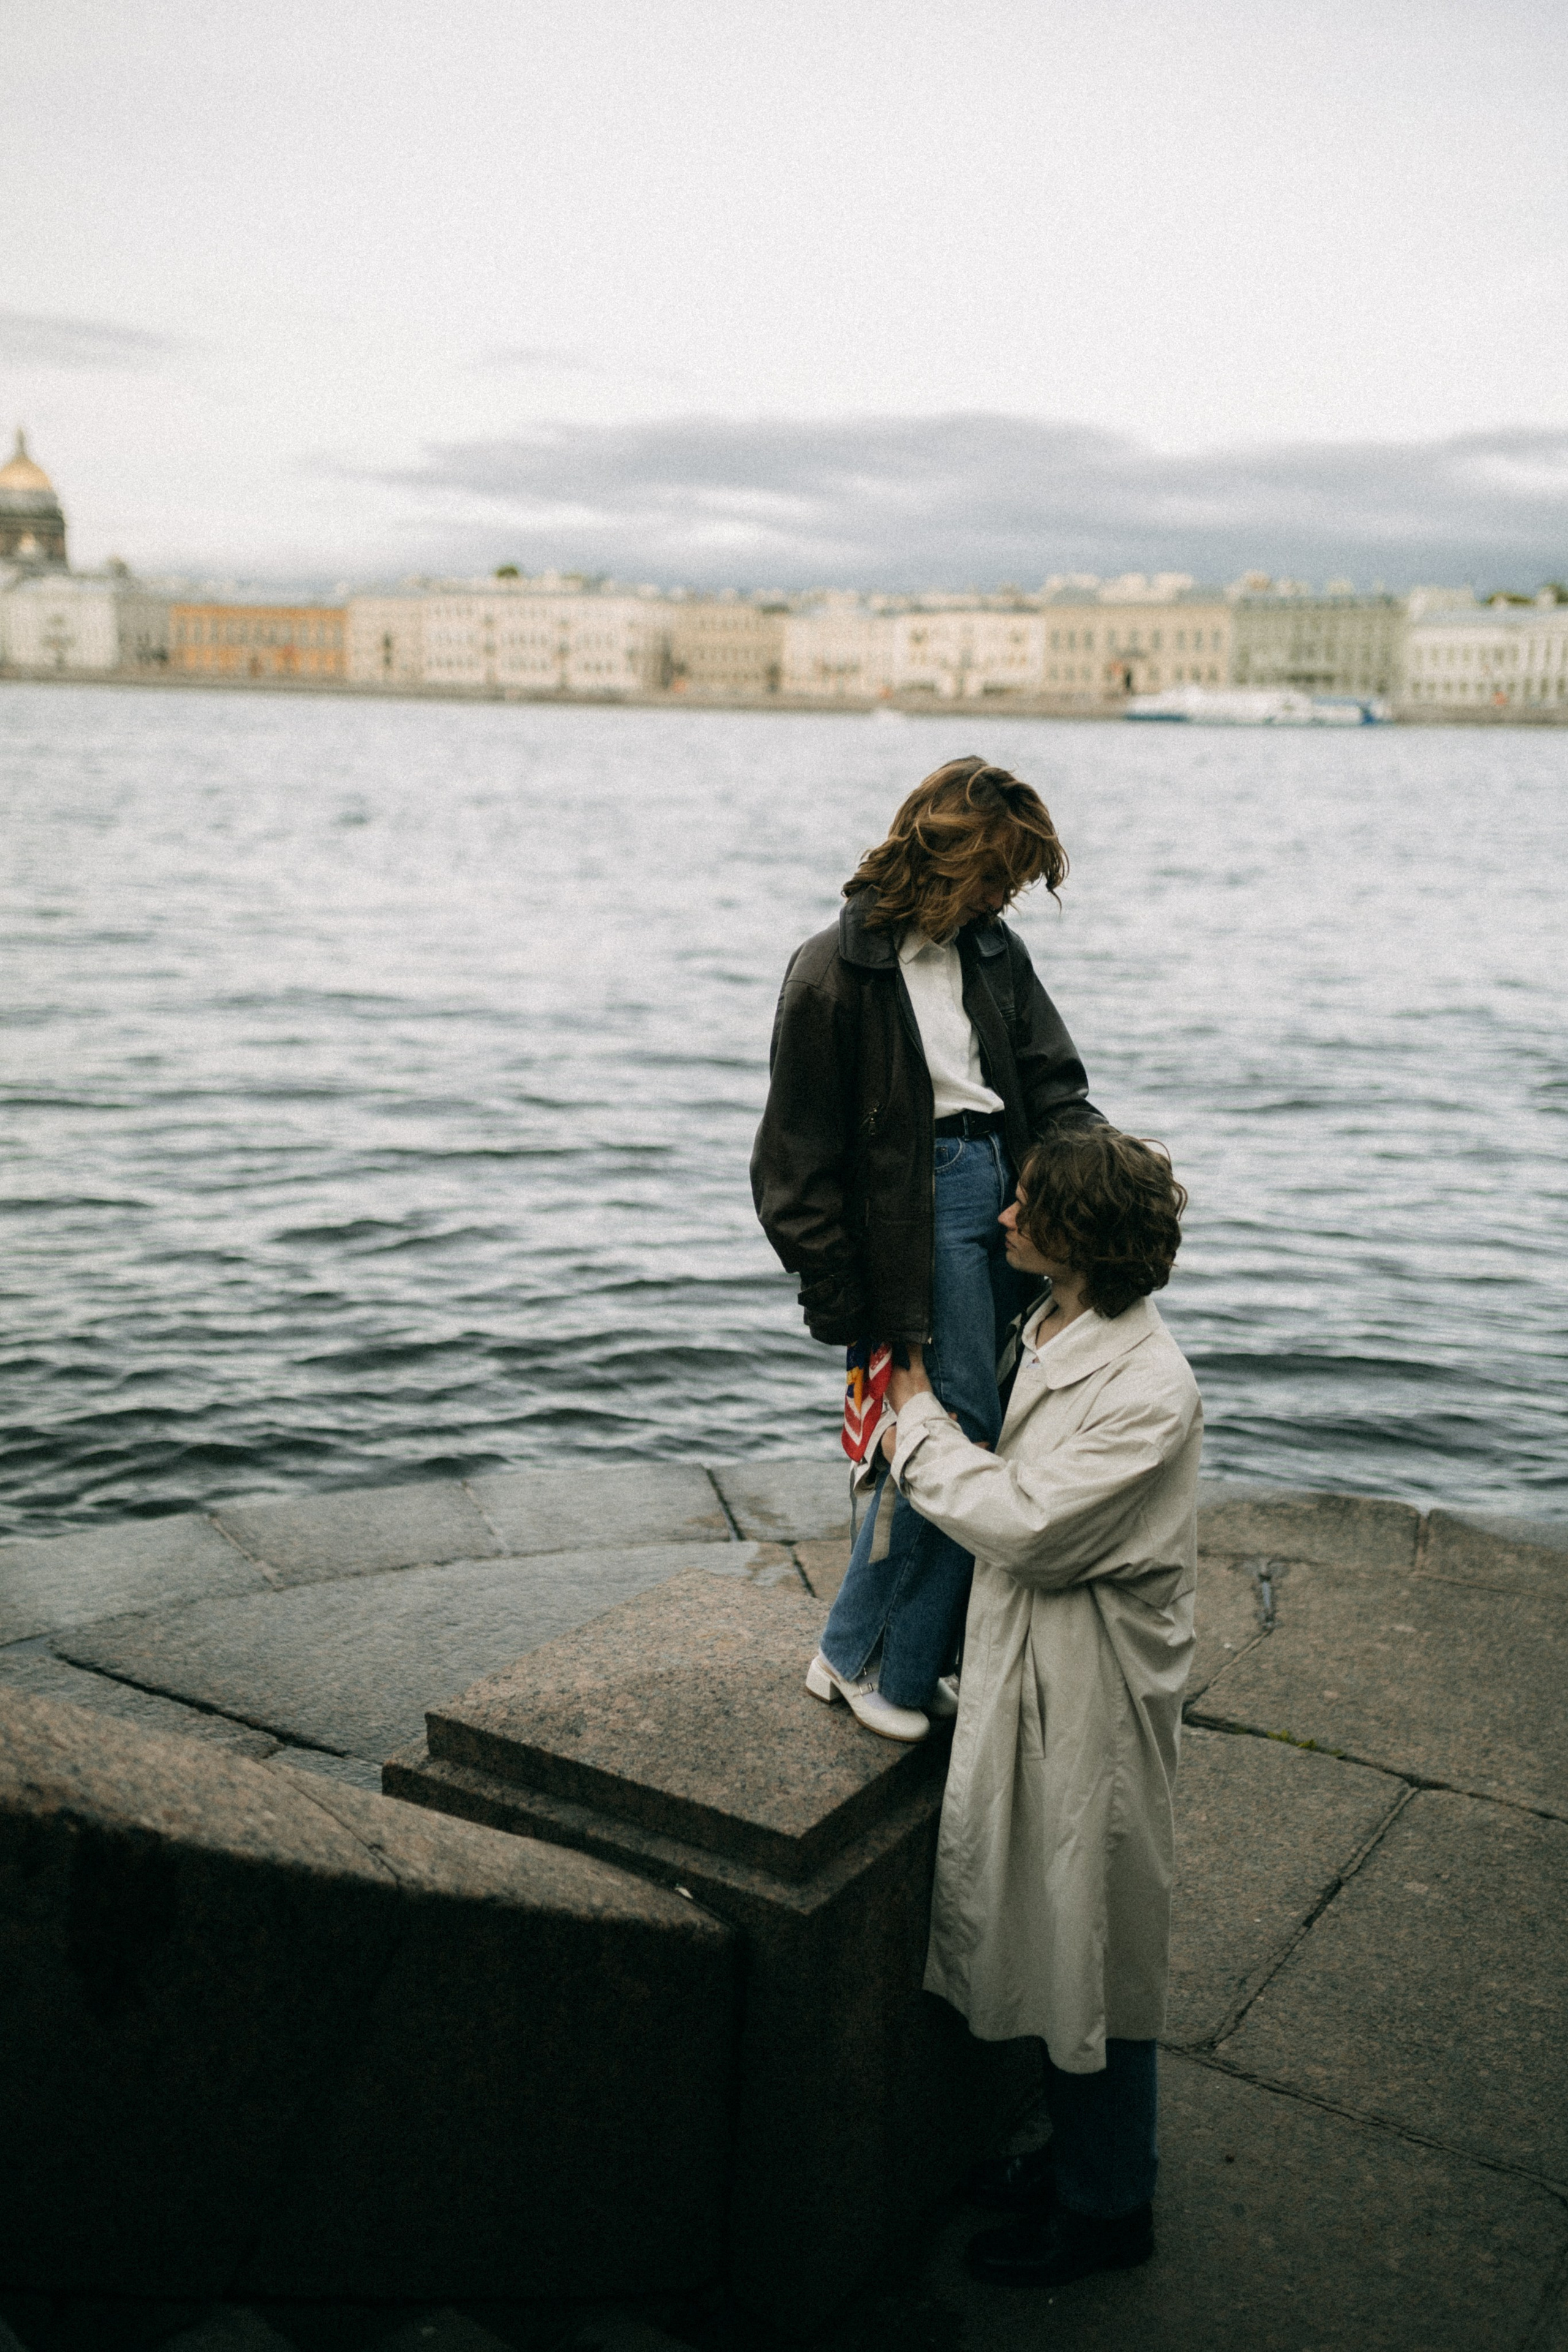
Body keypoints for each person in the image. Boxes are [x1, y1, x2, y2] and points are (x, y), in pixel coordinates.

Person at [878, 1123, 1200, 2290]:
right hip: (1044, 1664)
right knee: (1067, 1933)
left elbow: (1030, 1525)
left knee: (1096, 1946)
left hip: (1096, 1691)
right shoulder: (1055, 1321)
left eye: (1027, 1207)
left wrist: (912, 1422)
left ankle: (1111, 2209)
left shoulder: (1151, 1388)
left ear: (1082, 1238)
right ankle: (1080, 2160)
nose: (1003, 1218)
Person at [750, 756, 1101, 1743]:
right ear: (944, 858)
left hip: (1006, 1198)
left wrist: (1093, 1192)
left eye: (1017, 883)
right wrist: (854, 1308)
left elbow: (1055, 1085)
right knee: (954, 1433)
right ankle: (859, 1655)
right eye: (998, 877)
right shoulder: (831, 971)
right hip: (925, 1211)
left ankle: (908, 1653)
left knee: (981, 1430)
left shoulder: (992, 953)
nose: (1008, 898)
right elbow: (792, 1169)